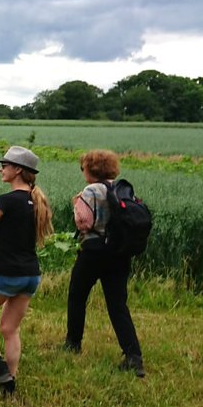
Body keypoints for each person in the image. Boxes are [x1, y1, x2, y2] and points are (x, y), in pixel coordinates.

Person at [0, 146, 53, 394]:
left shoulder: (5, 201)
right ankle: (10, 382)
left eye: (4, 165)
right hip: (31, 275)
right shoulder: (38, 202)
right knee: (10, 329)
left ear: (18, 170)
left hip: (7, 272)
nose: (0, 169)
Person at [63, 149, 145, 377]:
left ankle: (73, 343)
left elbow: (84, 224)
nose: (83, 172)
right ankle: (133, 356)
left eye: (83, 168)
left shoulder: (91, 190)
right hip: (119, 252)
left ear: (91, 169)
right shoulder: (120, 188)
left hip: (94, 250)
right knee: (118, 305)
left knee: (77, 295)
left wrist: (77, 204)